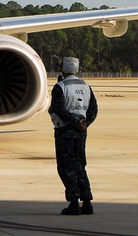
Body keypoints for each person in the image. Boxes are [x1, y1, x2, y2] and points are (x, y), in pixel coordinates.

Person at [49, 56, 98, 215]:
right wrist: (84, 123)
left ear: (63, 68)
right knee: (80, 166)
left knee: (66, 167)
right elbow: (93, 109)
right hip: (81, 133)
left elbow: (58, 109)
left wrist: (73, 122)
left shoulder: (60, 87)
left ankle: (73, 202)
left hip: (65, 132)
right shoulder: (86, 86)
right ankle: (87, 201)